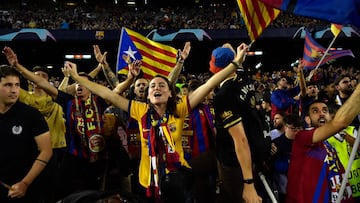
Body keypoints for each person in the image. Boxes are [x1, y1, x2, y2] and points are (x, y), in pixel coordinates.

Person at [65, 42, 249, 203]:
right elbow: (108, 94)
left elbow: (208, 85)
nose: (156, 87)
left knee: (172, 185)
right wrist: (77, 78)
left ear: (170, 93)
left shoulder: (179, 109)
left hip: (176, 177)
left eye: (162, 85)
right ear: (148, 95)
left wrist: (235, 63)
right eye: (153, 85)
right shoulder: (140, 110)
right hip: (147, 180)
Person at [3, 46, 112, 198]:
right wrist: (17, 66)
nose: (80, 86)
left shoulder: (89, 101)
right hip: (36, 150)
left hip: (65, 150)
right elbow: (23, 84)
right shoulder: (27, 97)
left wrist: (102, 67)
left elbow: (101, 87)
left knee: (89, 194)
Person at [211, 44, 265, 203]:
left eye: (211, 61)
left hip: (235, 162)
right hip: (252, 153)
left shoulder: (223, 95)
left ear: (216, 69)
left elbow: (240, 139)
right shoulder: (243, 77)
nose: (209, 63)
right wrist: (235, 55)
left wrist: (248, 183)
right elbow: (237, 65)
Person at [286, 91, 360, 202]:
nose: (322, 113)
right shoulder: (301, 137)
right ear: (307, 119)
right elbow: (340, 123)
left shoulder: (329, 144)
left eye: (325, 110)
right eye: (315, 111)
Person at [0, 65, 52, 203]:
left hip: (24, 188)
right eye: (8, 85)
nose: (14, 90)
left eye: (17, 85)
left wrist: (25, 183)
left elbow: (46, 151)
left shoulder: (31, 115)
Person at [270, 114, 302, 203]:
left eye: (299, 129)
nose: (297, 132)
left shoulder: (304, 142)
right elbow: (276, 167)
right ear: (285, 127)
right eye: (294, 129)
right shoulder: (275, 144)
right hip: (284, 187)